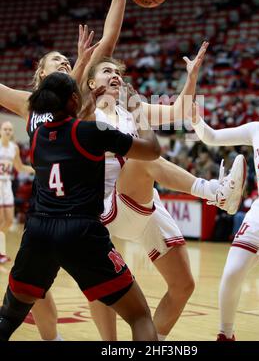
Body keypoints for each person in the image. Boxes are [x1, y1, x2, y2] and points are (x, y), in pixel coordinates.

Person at [0, 0, 140, 341]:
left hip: (84, 200)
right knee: (32, 291)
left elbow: (108, 40)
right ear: (41, 74)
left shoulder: (76, 92)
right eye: (56, 61)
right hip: (51, 210)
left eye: (67, 59)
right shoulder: (29, 103)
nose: (65, 61)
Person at [79, 49, 246, 341]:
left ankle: (151, 343)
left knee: (183, 285)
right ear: (91, 83)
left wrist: (191, 77)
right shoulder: (85, 112)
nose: (115, 75)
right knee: (144, 154)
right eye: (106, 71)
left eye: (118, 72)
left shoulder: (132, 109)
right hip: (108, 208)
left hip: (143, 202)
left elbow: (180, 111)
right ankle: (215, 193)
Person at [0, 72, 160, 341]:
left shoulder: (36, 136)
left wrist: (83, 102)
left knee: (9, 315)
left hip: (39, 231)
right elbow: (152, 151)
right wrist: (138, 113)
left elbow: (65, 124)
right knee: (140, 316)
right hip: (81, 231)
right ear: (75, 100)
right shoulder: (92, 131)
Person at [192, 79, 259, 341]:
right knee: (231, 273)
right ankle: (225, 334)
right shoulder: (256, 129)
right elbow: (213, 137)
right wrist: (194, 119)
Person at [0, 121, 34, 264]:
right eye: (5, 129)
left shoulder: (14, 148)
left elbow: (19, 167)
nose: (8, 131)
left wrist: (34, 169)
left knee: (8, 220)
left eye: (10, 129)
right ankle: (1, 253)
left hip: (7, 184)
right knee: (1, 220)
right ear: (1, 131)